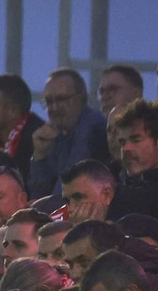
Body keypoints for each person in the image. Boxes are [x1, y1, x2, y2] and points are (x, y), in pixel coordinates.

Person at [29, 68, 111, 196]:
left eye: (61, 99)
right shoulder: (56, 132)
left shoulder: (93, 128)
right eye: (49, 101)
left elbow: (64, 193)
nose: (54, 108)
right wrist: (39, 154)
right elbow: (38, 194)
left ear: (82, 98)